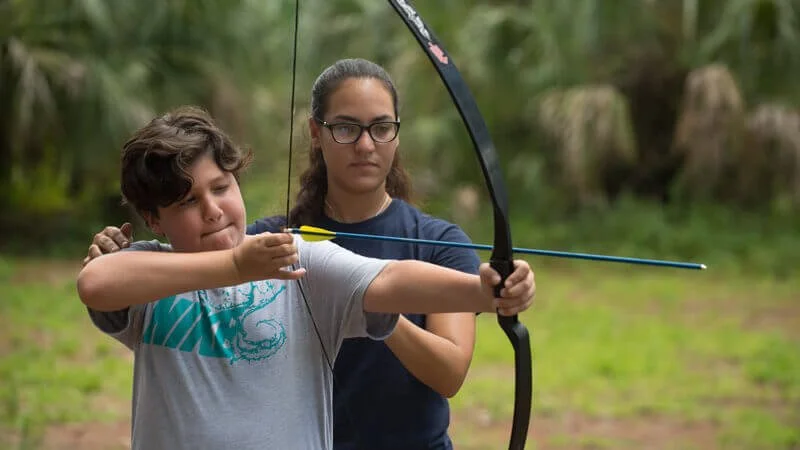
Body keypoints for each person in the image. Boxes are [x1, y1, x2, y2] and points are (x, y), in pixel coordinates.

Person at [83, 59, 514, 449]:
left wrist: (487, 290)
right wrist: (235, 264)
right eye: (346, 128)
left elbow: (396, 283)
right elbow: (97, 284)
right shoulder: (262, 249)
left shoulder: (303, 257)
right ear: (316, 133)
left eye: (381, 128)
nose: (365, 145)